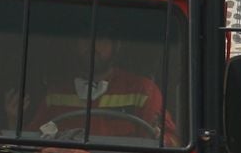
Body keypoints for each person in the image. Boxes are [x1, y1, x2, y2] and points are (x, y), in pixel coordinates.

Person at [31, 32, 173, 139]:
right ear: (75, 45)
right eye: (85, 38)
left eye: (101, 39)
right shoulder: (56, 93)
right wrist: (13, 120)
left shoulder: (142, 90)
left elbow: (168, 143)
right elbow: (33, 139)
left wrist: (160, 136)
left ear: (115, 46)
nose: (92, 45)